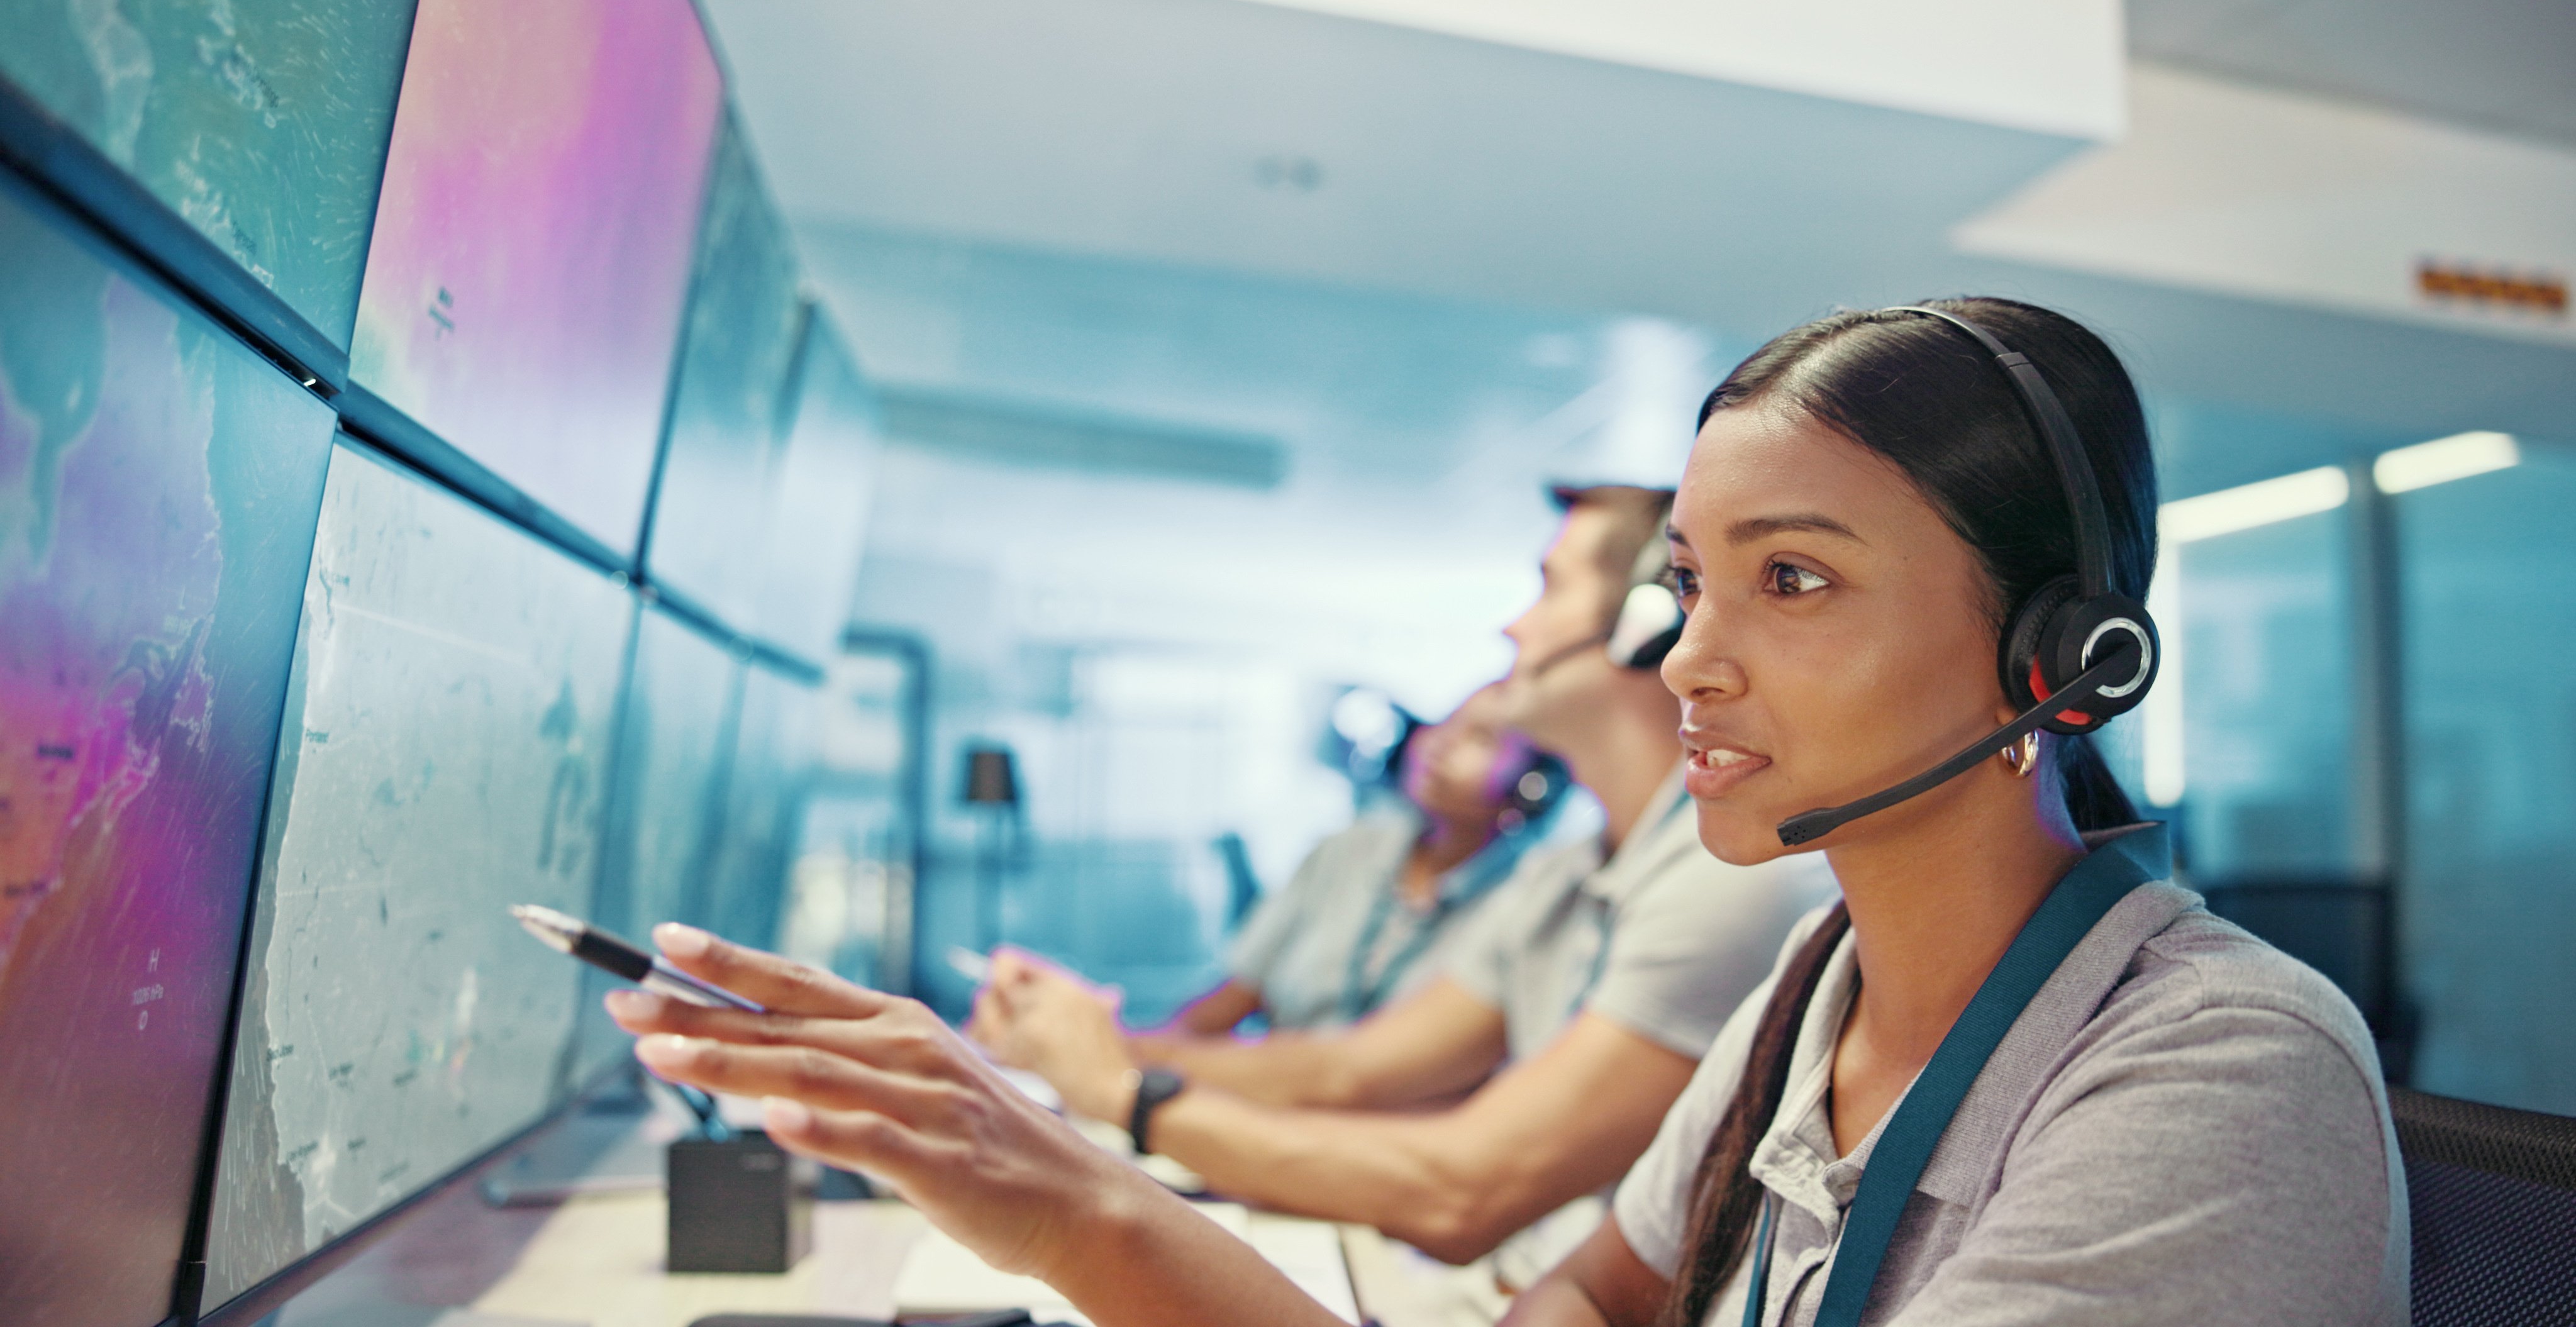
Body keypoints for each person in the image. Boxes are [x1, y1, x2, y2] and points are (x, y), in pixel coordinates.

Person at [603, 297, 2403, 1326]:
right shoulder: (1809, 1010)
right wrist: (1066, 1202)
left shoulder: (2218, 1070)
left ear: (2053, 655)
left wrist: (1101, 1171)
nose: (1688, 661)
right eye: (1690, 586)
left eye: (1791, 583)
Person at [965, 486, 1831, 1298]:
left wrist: (1123, 1093)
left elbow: (1465, 1189)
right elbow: (1345, 1069)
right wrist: (1083, 1044)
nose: (1512, 627)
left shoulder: (1729, 883)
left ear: (1646, 623)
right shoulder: (1564, 875)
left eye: (1547, 588)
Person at [1162, 680, 1558, 1039]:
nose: (1440, 744)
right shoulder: (1344, 851)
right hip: (1276, 1089)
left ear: (1531, 788)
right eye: (1445, 723)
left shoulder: (1527, 898)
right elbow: (1231, 998)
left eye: (1481, 739)